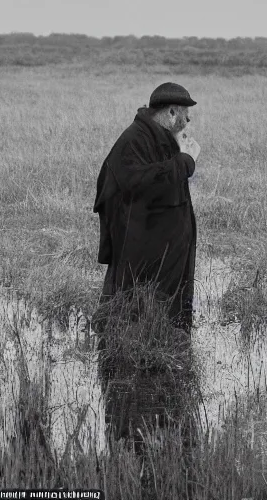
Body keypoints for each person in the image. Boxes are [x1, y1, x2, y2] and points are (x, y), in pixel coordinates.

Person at [92, 82, 203, 468]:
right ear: (171, 113)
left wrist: (179, 152)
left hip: (165, 245)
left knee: (164, 308)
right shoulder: (133, 140)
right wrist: (186, 160)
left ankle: (163, 351)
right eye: (184, 113)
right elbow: (138, 182)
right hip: (140, 249)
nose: (188, 119)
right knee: (136, 304)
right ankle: (132, 363)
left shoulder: (157, 137)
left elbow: (161, 181)